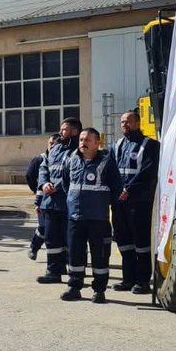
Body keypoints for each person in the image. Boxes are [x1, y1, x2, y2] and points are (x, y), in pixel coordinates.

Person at [60, 127, 123, 303]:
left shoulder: (107, 162)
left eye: (87, 140)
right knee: (75, 254)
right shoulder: (71, 159)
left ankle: (99, 290)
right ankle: (74, 287)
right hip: (75, 217)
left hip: (98, 218)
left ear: (97, 143)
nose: (83, 143)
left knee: (100, 255)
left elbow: (116, 188)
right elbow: (66, 184)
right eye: (81, 140)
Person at [111, 111, 160, 294]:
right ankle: (127, 279)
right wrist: (117, 191)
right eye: (122, 122)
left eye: (128, 121)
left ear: (138, 123)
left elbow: (148, 172)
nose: (124, 124)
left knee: (141, 243)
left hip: (139, 202)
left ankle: (142, 282)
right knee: (124, 242)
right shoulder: (117, 145)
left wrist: (129, 190)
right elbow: (110, 170)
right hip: (119, 202)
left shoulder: (151, 145)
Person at [36, 118, 82, 283]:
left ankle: (75, 274)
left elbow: (77, 173)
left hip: (69, 204)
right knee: (51, 239)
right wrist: (44, 184)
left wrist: (58, 186)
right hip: (50, 202)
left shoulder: (80, 150)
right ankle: (53, 271)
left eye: (65, 130)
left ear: (75, 131)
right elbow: (44, 167)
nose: (61, 132)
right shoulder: (55, 148)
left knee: (71, 240)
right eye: (61, 129)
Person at [25, 134, 61, 260]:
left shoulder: (63, 158)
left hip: (59, 201)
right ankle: (34, 248)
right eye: (50, 143)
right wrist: (37, 194)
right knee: (44, 227)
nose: (52, 146)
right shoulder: (40, 159)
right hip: (43, 199)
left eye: (55, 144)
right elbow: (30, 176)